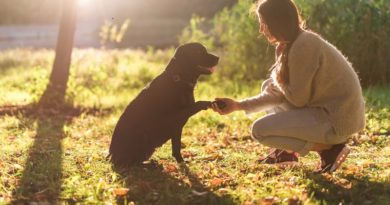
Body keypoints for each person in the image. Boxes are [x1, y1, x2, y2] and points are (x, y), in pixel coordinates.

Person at [210, 0, 365, 173]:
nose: (261, 30)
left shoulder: (304, 45)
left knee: (259, 131)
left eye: (264, 24)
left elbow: (298, 99)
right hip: (323, 111)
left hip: (337, 120)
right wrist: (237, 106)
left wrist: (277, 76)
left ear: (277, 22)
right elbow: (279, 93)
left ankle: (329, 149)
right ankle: (285, 154)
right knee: (268, 85)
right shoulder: (290, 45)